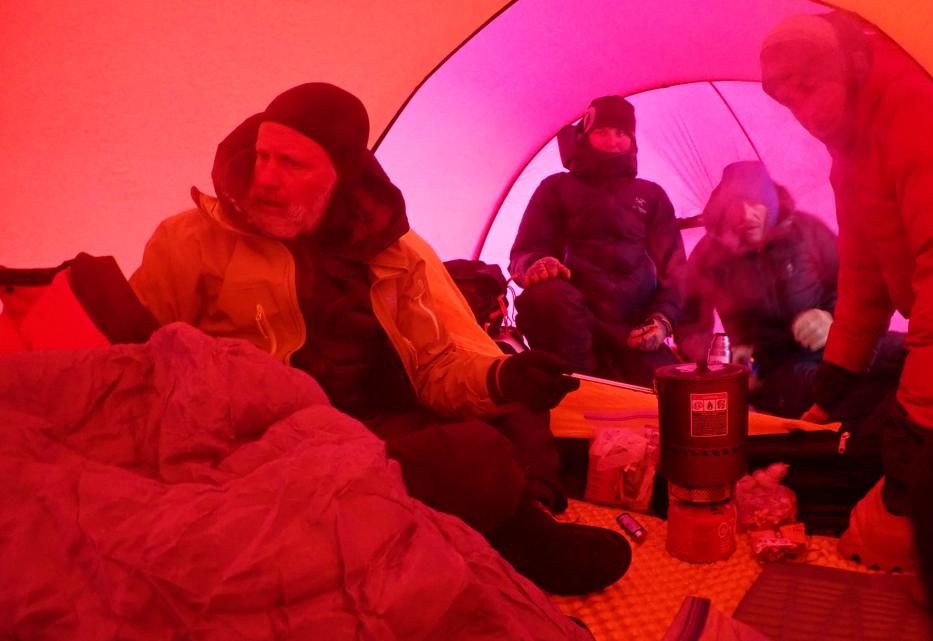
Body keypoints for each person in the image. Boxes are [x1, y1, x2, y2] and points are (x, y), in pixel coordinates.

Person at [130, 82, 630, 596]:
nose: (266, 179)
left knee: (488, 438)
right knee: (455, 465)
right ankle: (494, 544)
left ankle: (500, 534)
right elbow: (134, 356)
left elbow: (434, 364)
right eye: (263, 156)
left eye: (293, 165)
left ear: (341, 177)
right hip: (257, 442)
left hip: (364, 430)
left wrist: (503, 377)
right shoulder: (190, 241)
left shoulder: (388, 253)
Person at [760, 11, 933, 570]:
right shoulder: (850, 155)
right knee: (852, 468)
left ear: (850, 64)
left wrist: (919, 433)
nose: (802, 107)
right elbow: (865, 279)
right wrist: (833, 386)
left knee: (894, 512)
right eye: (787, 98)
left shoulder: (917, 109)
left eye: (808, 83)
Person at [509, 95, 686, 387]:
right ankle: (575, 385)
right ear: (584, 136)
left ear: (632, 140)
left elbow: (676, 271)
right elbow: (525, 250)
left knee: (665, 396)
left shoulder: (651, 196)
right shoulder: (555, 188)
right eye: (601, 132)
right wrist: (535, 264)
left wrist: (662, 320)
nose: (612, 141)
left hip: (633, 326)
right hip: (571, 322)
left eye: (621, 133)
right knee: (544, 297)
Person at [677, 161, 839, 418]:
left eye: (754, 202)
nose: (745, 215)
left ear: (771, 202)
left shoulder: (807, 231)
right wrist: (719, 363)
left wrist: (831, 317)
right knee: (831, 389)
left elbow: (854, 286)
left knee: (902, 358)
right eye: (734, 205)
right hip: (768, 370)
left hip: (835, 351)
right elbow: (689, 322)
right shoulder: (710, 254)